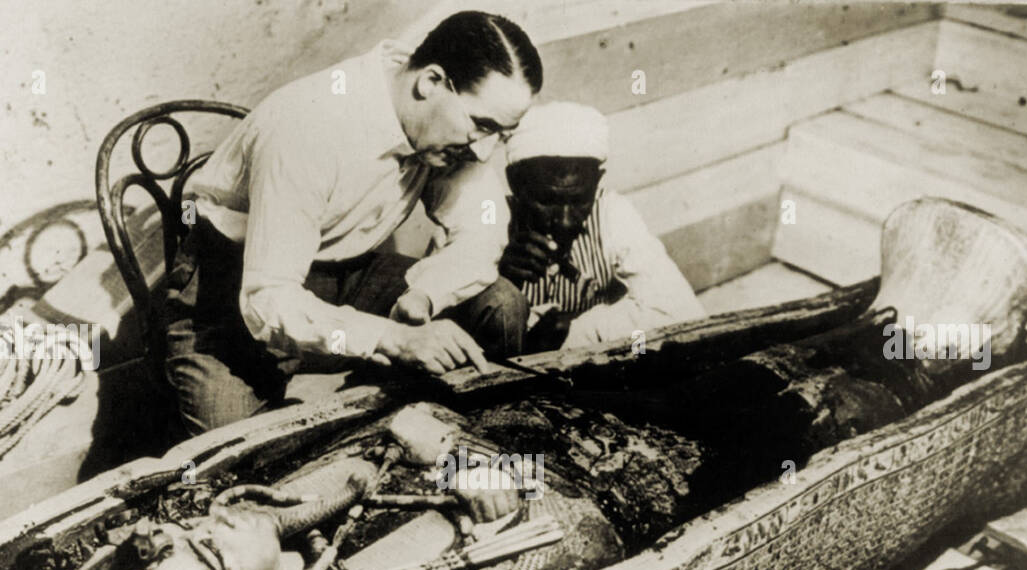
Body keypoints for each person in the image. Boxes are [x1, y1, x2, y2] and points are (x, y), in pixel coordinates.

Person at [164, 11, 541, 435]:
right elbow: (268, 298)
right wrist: (391, 338)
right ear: (430, 82)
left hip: (347, 276)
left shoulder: (447, 128)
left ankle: (478, 442)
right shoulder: (310, 125)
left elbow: (482, 231)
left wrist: (426, 296)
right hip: (234, 296)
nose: (485, 151)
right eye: (482, 126)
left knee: (500, 304)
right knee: (243, 456)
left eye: (501, 134)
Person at [497, 101, 704, 353]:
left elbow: (684, 315)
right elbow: (447, 330)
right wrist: (498, 284)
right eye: (547, 200)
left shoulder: (611, 212)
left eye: (578, 200)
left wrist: (574, 330)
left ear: (597, 182)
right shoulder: (489, 219)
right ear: (515, 184)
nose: (564, 221)